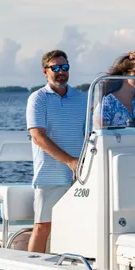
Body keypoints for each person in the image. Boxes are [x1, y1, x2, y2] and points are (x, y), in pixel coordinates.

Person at [25, 49, 87, 253]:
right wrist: (70, 161)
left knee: (79, 227)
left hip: (80, 176)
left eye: (65, 67)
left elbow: (92, 133)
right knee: (43, 226)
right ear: (45, 72)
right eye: (56, 68)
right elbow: (38, 137)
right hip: (49, 174)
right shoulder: (38, 99)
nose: (61, 72)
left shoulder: (81, 99)